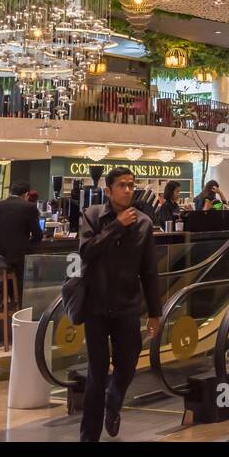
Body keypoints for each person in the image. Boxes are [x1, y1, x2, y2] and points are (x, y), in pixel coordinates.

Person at [78, 168, 161, 442]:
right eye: (122, 185)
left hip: (127, 307)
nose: (128, 190)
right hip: (96, 307)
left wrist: (155, 313)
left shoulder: (145, 223)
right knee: (96, 374)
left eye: (131, 185)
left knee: (127, 365)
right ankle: (88, 436)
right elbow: (86, 252)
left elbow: (149, 271)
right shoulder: (92, 216)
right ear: (109, 189)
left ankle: (113, 402)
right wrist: (116, 225)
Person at [0, 181, 44, 300]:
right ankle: (20, 303)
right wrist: (29, 243)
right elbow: (38, 234)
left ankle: (8, 299)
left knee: (12, 270)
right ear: (26, 194)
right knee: (27, 268)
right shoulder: (29, 207)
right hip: (18, 256)